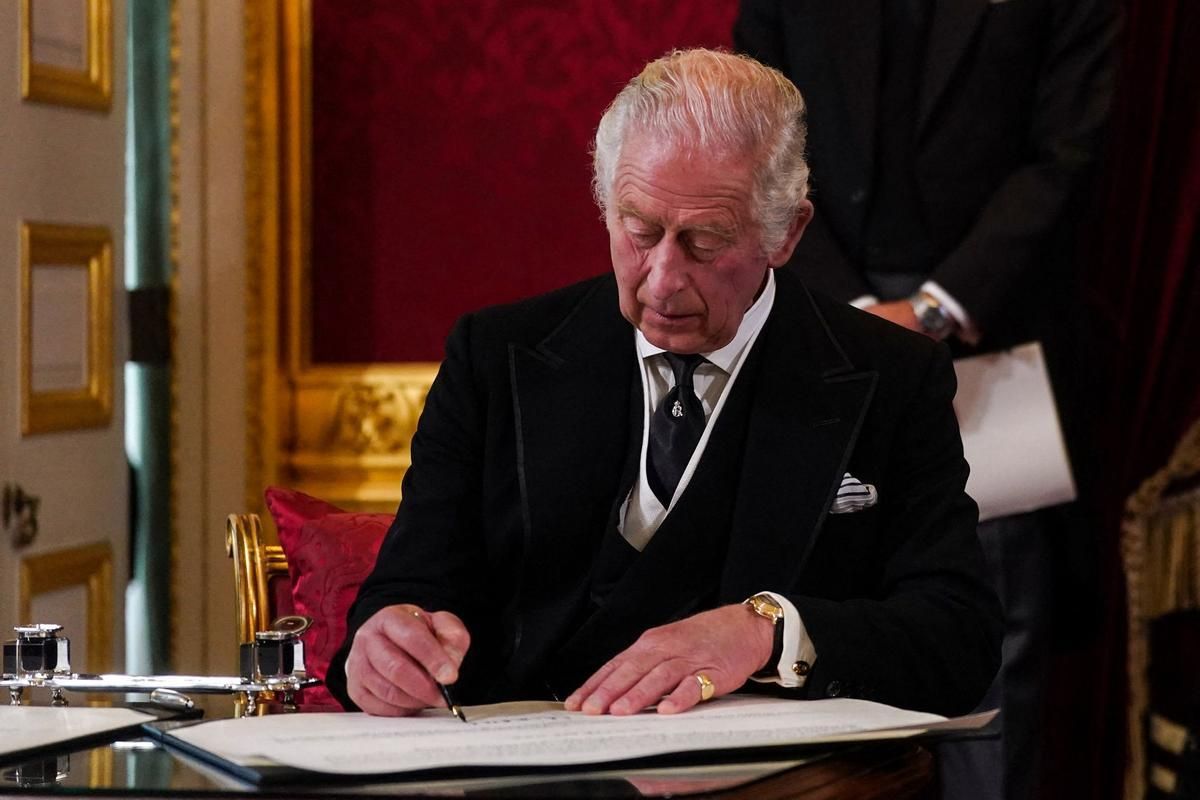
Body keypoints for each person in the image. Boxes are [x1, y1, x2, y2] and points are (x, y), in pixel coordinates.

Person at [325, 49, 1001, 720]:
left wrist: (768, 631)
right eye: (640, 230)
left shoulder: (892, 375)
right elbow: (406, 594)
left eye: (705, 241)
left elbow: (958, 639)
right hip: (526, 757)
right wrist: (382, 652)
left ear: (787, 233)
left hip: (773, 768)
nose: (663, 279)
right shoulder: (495, 358)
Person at [733, 3, 1118, 799]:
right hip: (819, 338)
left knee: (991, 669)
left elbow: (1067, 155)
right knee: (813, 648)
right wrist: (856, 316)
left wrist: (933, 312)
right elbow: (751, 141)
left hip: (990, 350)